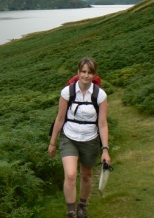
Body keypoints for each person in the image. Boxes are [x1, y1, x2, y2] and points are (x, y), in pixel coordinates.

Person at [48, 57, 111, 218]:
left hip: (90, 139)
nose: (86, 75)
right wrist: (52, 142)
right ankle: (71, 212)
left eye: (90, 72)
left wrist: (105, 150)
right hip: (69, 137)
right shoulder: (67, 92)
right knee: (70, 175)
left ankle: (82, 206)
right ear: (78, 72)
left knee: (86, 175)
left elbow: (102, 123)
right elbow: (60, 118)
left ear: (94, 74)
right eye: (83, 71)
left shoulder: (100, 95)